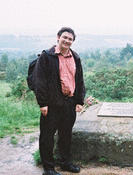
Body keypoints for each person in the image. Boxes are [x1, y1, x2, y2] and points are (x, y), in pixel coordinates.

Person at [33, 27, 85, 175]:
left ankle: (65, 163)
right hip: (52, 104)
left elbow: (80, 80)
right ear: (58, 37)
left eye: (70, 39)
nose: (67, 41)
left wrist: (79, 100)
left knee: (66, 135)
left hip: (69, 103)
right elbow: (40, 81)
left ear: (73, 41)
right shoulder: (47, 56)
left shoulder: (75, 57)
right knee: (47, 136)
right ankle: (48, 168)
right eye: (65, 37)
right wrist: (42, 103)